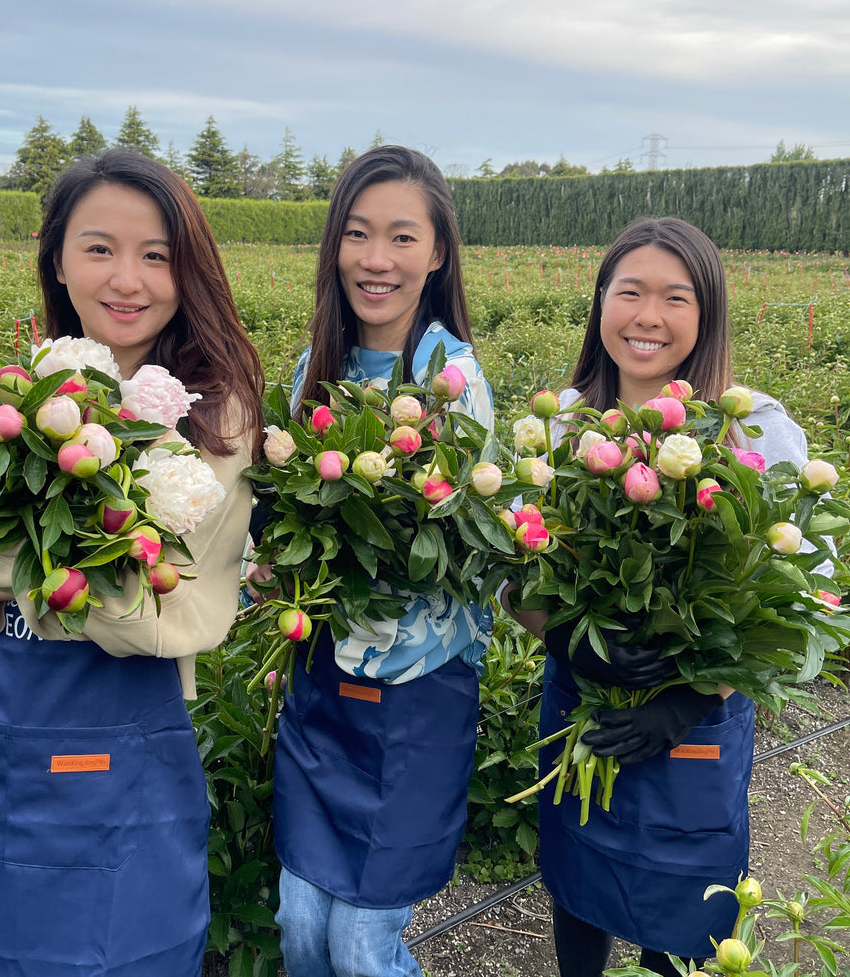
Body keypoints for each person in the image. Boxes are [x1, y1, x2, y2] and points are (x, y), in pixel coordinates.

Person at [0, 147, 264, 977]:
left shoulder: (214, 427)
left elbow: (156, 614)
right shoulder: (8, 407)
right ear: (58, 260)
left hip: (119, 753)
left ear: (189, 271)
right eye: (99, 248)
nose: (127, 279)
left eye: (156, 255)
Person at [514, 217, 813, 976]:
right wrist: (565, 636)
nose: (648, 317)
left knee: (685, 908)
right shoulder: (562, 429)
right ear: (600, 303)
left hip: (697, 715)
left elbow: (796, 594)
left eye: (675, 298)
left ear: (706, 314)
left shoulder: (756, 431)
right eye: (630, 292)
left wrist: (689, 697)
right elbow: (512, 573)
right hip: (583, 692)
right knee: (578, 882)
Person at [253, 145, 495, 977]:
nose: (376, 259)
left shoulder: (451, 379)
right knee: (298, 925)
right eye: (358, 235)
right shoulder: (311, 373)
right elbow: (291, 526)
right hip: (325, 689)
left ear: (437, 253)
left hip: (415, 698)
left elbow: (468, 545)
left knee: (360, 945)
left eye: (401, 237)